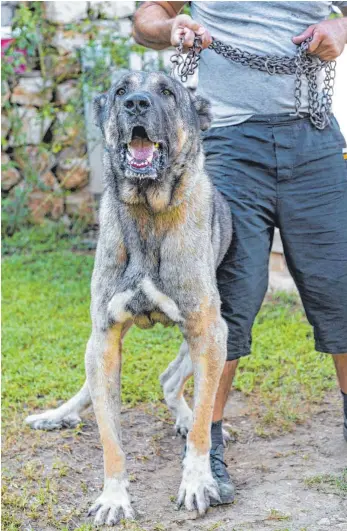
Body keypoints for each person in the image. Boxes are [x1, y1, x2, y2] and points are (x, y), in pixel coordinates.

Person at [133, 1, 347, 504]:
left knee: (339, 287)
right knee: (230, 295)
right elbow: (147, 18)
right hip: (229, 142)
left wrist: (341, 25)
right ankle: (205, 449)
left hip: (314, 136)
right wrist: (170, 27)